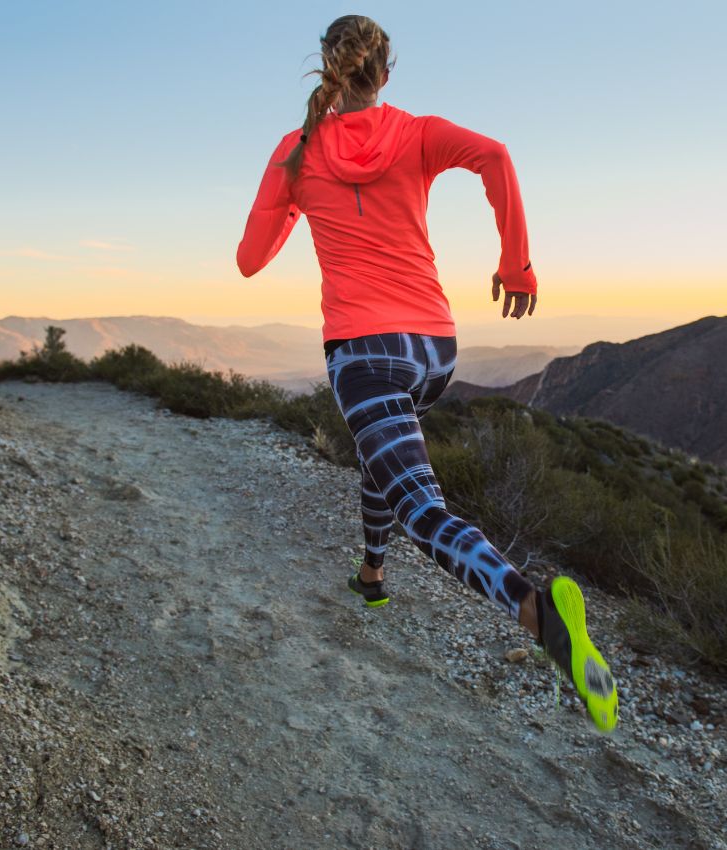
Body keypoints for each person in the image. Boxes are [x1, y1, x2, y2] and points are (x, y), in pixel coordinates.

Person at [237, 15, 617, 732]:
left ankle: (536, 613)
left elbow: (250, 259)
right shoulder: (416, 130)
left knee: (421, 504)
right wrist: (516, 263)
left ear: (326, 69)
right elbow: (496, 156)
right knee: (385, 458)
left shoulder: (296, 151)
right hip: (434, 350)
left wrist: (293, 199)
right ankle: (372, 576)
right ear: (386, 72)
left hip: (361, 348)